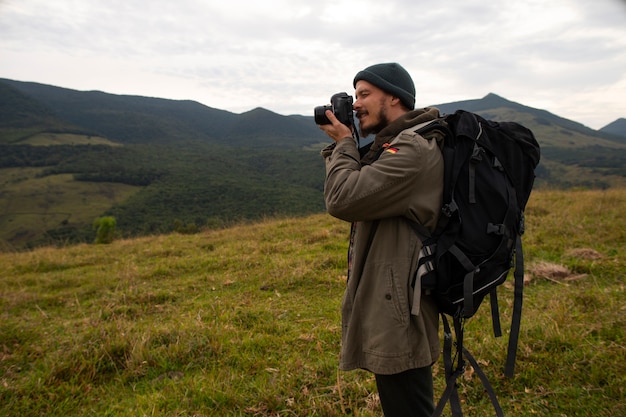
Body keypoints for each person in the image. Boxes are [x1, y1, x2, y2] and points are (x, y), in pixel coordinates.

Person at [318, 62, 445, 416]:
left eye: (364, 94)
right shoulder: (395, 145)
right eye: (355, 95)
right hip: (393, 302)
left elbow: (343, 197)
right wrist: (350, 144)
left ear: (394, 97)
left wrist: (344, 142)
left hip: (400, 310)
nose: (356, 104)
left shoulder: (414, 149)